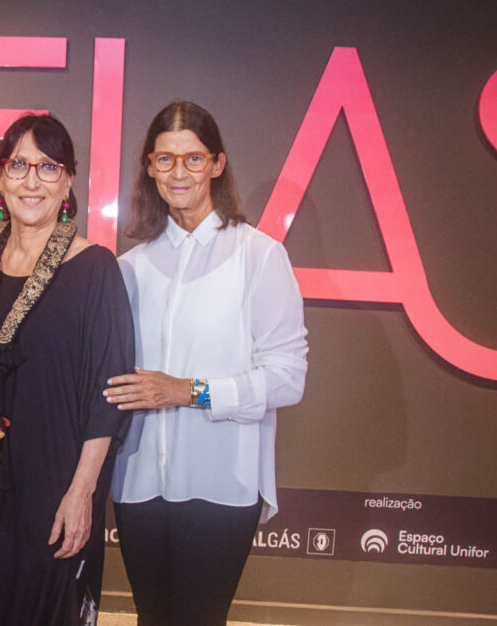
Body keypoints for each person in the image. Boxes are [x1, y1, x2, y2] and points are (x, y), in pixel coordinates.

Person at [105, 101, 309, 625]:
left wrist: (189, 390)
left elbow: (287, 377)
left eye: (193, 159)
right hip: (137, 483)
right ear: (149, 167)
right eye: (165, 160)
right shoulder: (128, 267)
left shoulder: (259, 256)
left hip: (223, 483)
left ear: (217, 164)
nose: (179, 173)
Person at [0, 114, 134, 625]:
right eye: (18, 165)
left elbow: (109, 396)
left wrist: (82, 494)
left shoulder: (96, 270)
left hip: (55, 489)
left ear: (69, 182)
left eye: (48, 167)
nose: (31, 181)